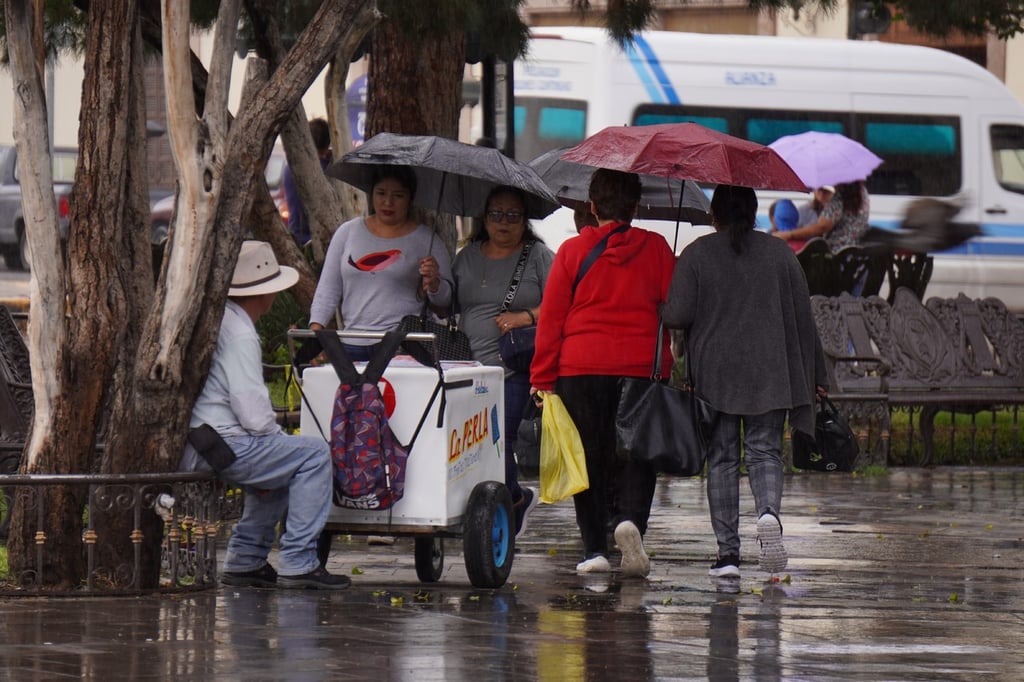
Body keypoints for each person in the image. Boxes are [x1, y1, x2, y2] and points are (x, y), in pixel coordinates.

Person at [661, 185, 827, 580]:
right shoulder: (780, 254)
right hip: (770, 371)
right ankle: (768, 514)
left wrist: (670, 295)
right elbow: (804, 320)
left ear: (714, 215)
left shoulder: (698, 253)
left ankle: (728, 556)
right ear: (754, 214)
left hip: (715, 375)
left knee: (721, 459)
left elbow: (677, 316)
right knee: (765, 453)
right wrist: (817, 375)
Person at [530, 168, 676, 578]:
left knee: (588, 456)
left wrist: (542, 377)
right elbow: (674, 309)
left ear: (592, 207)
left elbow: (552, 319)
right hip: (640, 369)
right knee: (638, 454)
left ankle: (594, 547)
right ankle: (630, 521)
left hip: (580, 367)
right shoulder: (658, 248)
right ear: (636, 207)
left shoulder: (573, 252)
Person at [181, 240, 350, 590]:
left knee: (282, 461)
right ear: (266, 295)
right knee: (314, 455)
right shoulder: (241, 333)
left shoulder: (221, 319)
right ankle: (299, 561)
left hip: (202, 439)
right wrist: (277, 437)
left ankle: (246, 559)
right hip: (222, 443)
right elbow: (252, 412)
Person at [453, 186, 554, 537]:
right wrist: (433, 282)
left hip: (514, 367)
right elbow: (444, 305)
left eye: (513, 215)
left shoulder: (538, 256)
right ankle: (514, 498)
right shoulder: (466, 257)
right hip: (468, 368)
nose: (504, 223)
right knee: (474, 442)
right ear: (484, 217)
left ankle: (502, 509)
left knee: (501, 437)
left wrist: (526, 316)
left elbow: (563, 301)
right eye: (496, 214)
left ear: (525, 220)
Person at [309, 165, 453, 361]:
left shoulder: (427, 240)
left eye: (398, 195)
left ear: (410, 198)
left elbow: (445, 304)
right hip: (352, 344)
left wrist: (434, 284)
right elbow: (328, 289)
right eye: (381, 193)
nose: (388, 202)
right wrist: (315, 333)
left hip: (402, 348)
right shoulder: (347, 232)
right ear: (371, 194)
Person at [774, 180, 870, 252]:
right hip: (852, 248)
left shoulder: (839, 199)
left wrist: (789, 234)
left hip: (834, 251)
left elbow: (821, 227)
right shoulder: (862, 192)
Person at [281, 117, 332, 247]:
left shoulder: (291, 167)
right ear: (327, 144)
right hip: (319, 242)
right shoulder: (327, 169)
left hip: (297, 237)